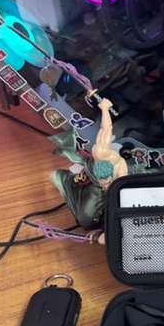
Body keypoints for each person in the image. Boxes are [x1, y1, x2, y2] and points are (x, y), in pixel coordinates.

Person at [50, 97, 127, 229]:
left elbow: (122, 195)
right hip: (92, 182)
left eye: (105, 180)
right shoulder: (100, 152)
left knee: (87, 220)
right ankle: (70, 183)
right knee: (84, 218)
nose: (103, 182)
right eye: (102, 180)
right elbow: (106, 128)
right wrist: (105, 109)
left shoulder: (121, 173)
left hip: (110, 192)